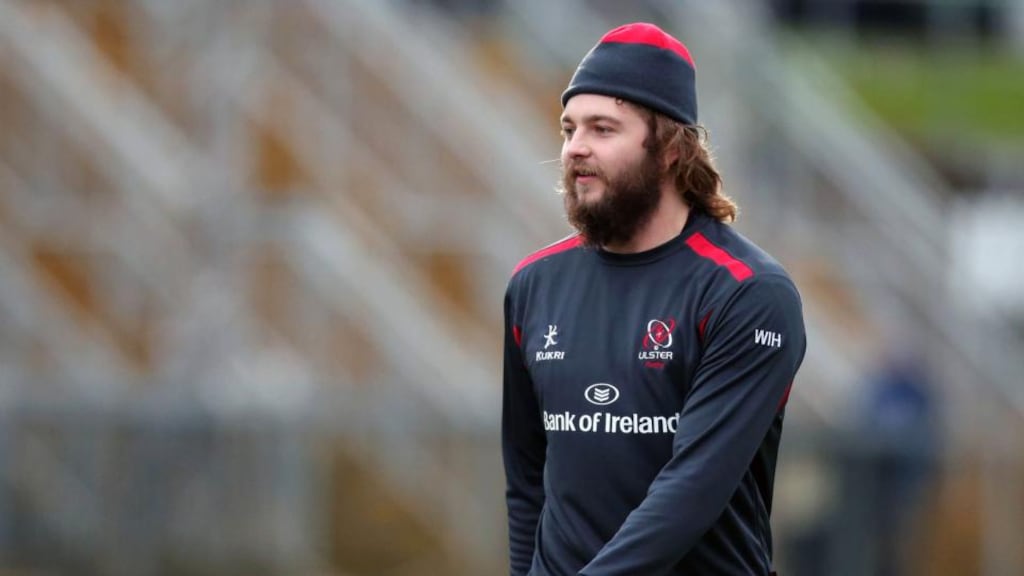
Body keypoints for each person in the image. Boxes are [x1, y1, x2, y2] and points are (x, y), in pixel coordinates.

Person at [502, 22, 807, 575]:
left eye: (602, 129)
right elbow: (526, 480)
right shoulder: (534, 284)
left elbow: (689, 493)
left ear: (669, 147)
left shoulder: (748, 293)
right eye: (569, 129)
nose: (575, 148)